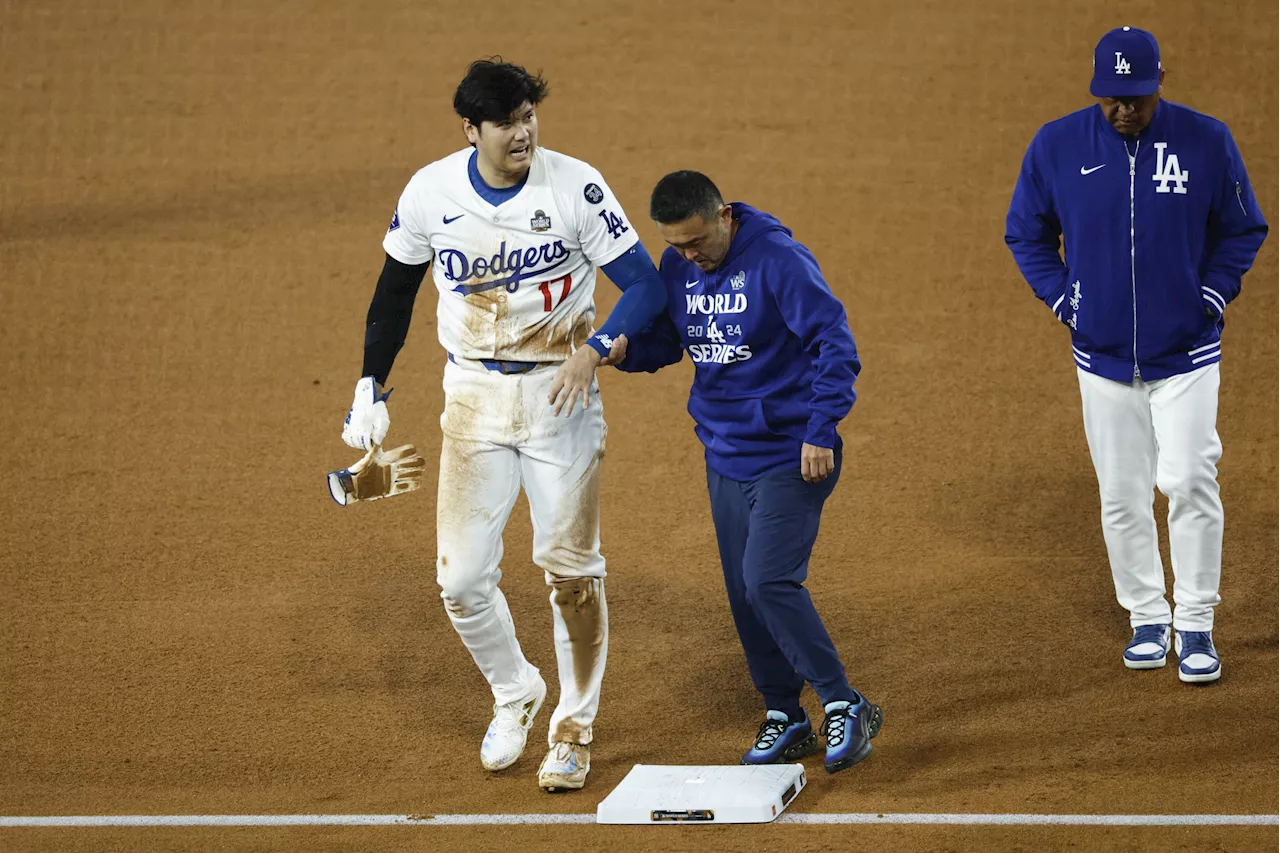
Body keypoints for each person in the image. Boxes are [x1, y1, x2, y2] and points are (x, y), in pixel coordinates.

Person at [340, 58, 667, 791]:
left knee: (570, 571)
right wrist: (371, 383)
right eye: (508, 122)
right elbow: (393, 294)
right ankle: (516, 688)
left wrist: (595, 346)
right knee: (459, 579)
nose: (524, 133)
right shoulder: (431, 193)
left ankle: (574, 728)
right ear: (472, 129)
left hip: (560, 395)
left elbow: (644, 283)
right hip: (473, 399)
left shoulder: (575, 186)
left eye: (529, 117)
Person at [1005, 27, 1267, 683]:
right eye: (1113, 99)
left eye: (1137, 99)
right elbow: (1026, 232)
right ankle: (1148, 616)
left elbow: (1242, 227)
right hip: (1102, 358)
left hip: (1187, 353)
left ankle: (1198, 622)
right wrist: (1068, 302)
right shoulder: (1057, 145)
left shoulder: (1207, 141)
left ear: (1160, 84)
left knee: (1189, 481)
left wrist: (1209, 294)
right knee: (1122, 495)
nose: (1125, 110)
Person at [603, 170, 883, 774]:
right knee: (743, 594)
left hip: (791, 452)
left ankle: (844, 700)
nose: (688, 256)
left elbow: (835, 343)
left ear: (725, 215)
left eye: (698, 241)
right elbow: (671, 344)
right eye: (676, 245)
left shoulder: (779, 260)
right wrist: (629, 354)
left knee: (767, 580)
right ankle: (787, 714)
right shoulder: (679, 265)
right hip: (725, 453)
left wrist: (820, 428)